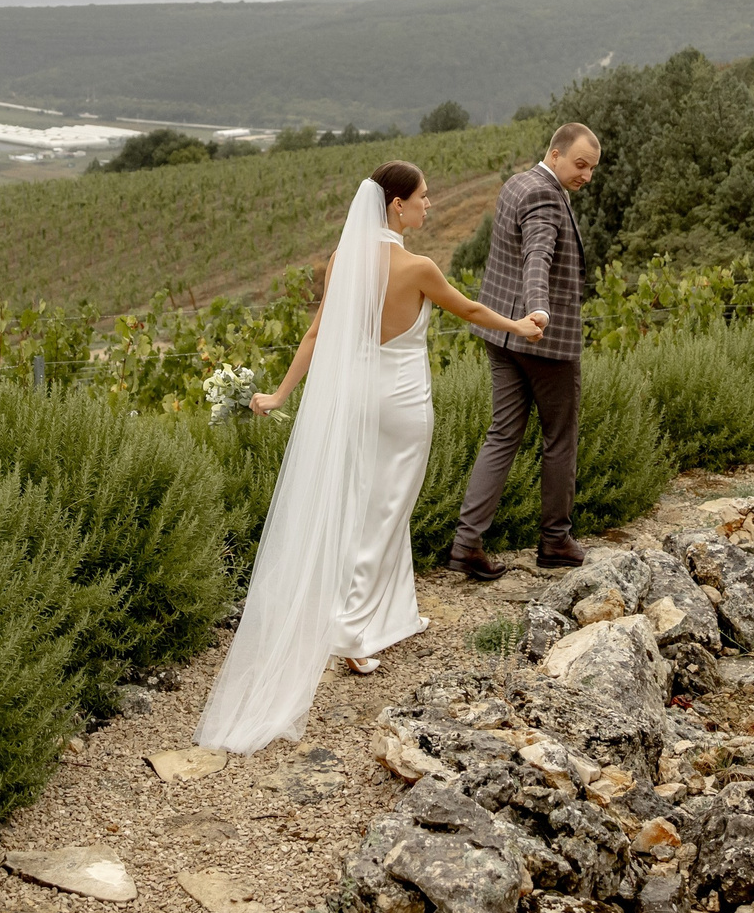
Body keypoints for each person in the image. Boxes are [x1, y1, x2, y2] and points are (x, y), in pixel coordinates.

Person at [194, 161, 548, 754]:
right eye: (423, 199)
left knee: (368, 504)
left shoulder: (344, 263)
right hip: (404, 403)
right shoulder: (417, 267)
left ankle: (388, 614)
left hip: (357, 399)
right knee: (388, 508)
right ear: (395, 207)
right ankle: (353, 630)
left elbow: (315, 335)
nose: (429, 207)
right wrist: (523, 325)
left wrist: (279, 395)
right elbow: (470, 312)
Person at [445, 122, 599, 580]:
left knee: (502, 435)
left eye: (592, 168)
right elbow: (538, 256)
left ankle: (466, 543)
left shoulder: (517, 182)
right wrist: (539, 312)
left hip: (501, 336)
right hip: (541, 340)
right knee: (560, 439)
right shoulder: (546, 196)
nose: (586, 175)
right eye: (579, 164)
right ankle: (555, 540)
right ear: (555, 154)